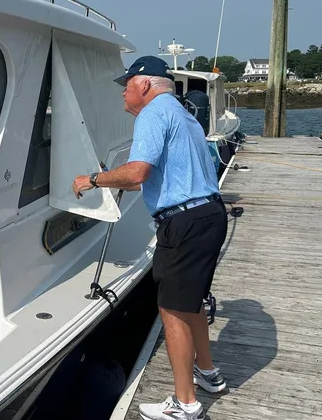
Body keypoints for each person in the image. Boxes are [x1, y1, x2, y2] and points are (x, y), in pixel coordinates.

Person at [71, 56, 228, 420]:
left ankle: (185, 405)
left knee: (172, 309)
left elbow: (138, 173)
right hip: (208, 215)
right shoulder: (183, 114)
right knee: (191, 303)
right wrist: (120, 176)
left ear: (144, 85)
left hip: (184, 222)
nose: (123, 95)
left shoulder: (153, 114)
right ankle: (207, 372)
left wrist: (91, 180)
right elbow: (167, 169)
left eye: (126, 86)